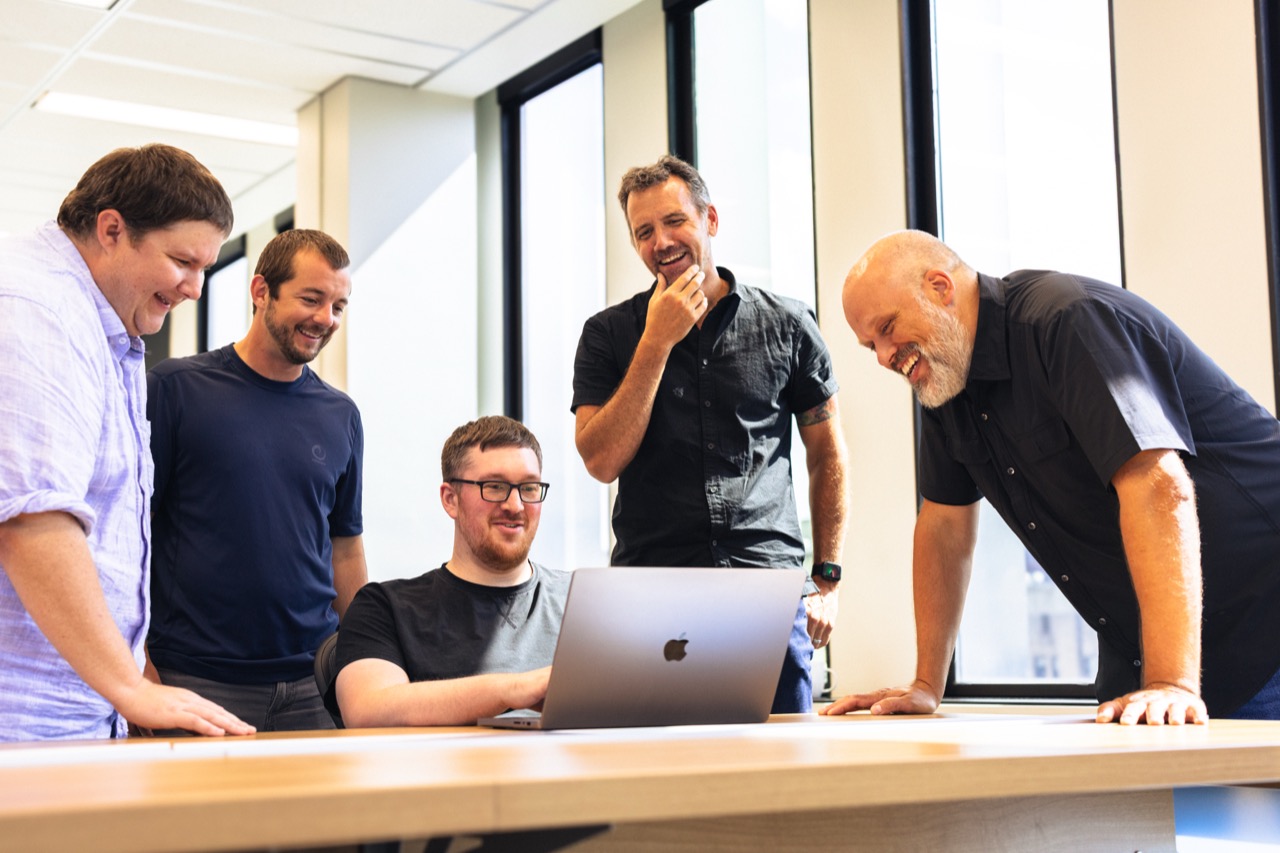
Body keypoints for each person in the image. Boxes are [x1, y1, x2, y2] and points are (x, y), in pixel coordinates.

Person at [832, 229, 1280, 725]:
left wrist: (1171, 682)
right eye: (870, 346)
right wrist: (925, 685)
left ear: (940, 288)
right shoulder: (944, 382)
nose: (884, 356)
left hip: (1261, 619)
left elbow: (1157, 484)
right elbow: (943, 527)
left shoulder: (1064, 321)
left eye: (888, 328)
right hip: (1146, 655)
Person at [571, 155, 849, 714]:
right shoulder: (607, 335)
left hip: (768, 592)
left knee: (784, 760)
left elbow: (828, 455)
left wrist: (828, 579)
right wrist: (656, 342)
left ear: (711, 219)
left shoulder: (789, 324)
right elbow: (601, 461)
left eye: (675, 221)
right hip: (651, 596)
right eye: (643, 232)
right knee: (658, 762)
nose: (661, 242)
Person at [0, 144, 255, 740]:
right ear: (111, 229)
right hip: (23, 721)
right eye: (182, 261)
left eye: (206, 269)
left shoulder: (106, 327)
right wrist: (131, 689)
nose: (196, 288)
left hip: (77, 707)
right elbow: (33, 522)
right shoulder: (37, 308)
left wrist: (130, 680)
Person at [146, 229, 366, 732]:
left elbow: (345, 548)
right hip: (194, 680)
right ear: (261, 290)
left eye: (338, 306)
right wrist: (135, 666)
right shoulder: (175, 389)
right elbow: (126, 535)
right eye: (311, 299)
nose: (326, 319)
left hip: (316, 682)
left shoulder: (341, 415)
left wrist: (364, 659)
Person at [330, 416, 569, 727]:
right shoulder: (384, 608)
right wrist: (514, 690)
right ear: (450, 499)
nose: (515, 505)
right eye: (494, 487)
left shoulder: (581, 602)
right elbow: (366, 710)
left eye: (529, 488)